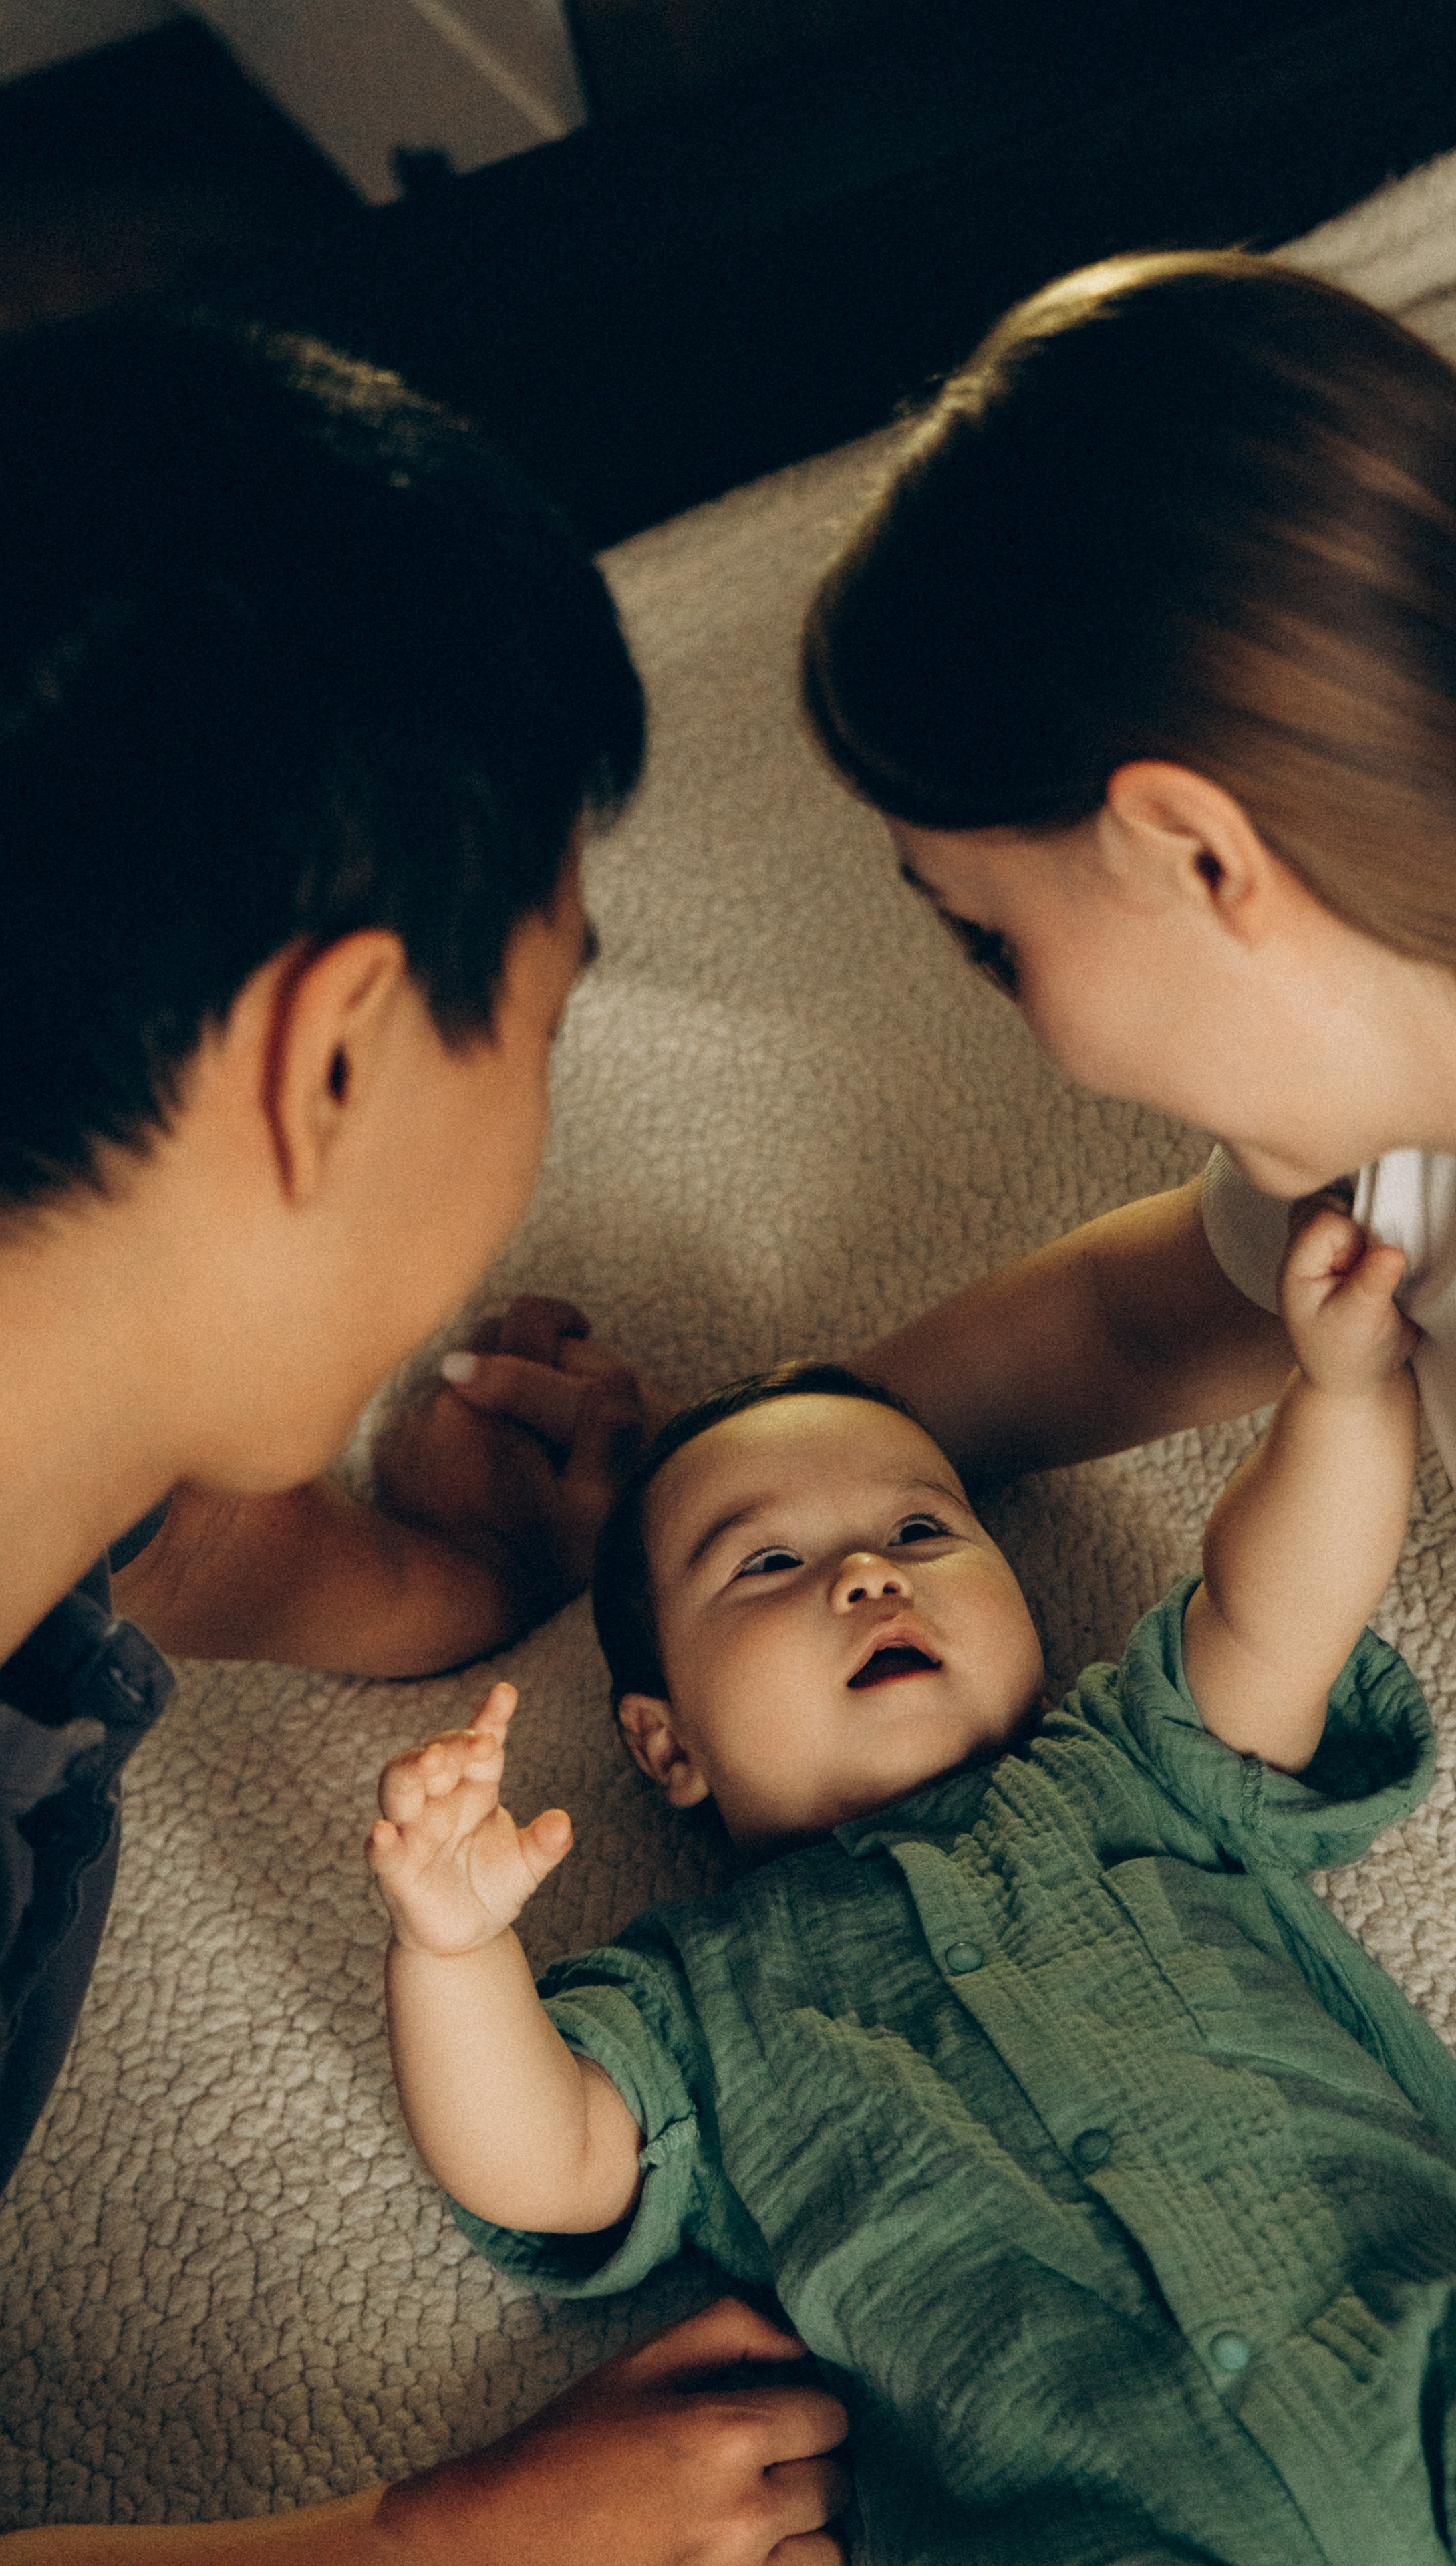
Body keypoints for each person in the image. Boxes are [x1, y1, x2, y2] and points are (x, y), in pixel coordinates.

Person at [0, 309, 847, 2562]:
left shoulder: (75, 1457)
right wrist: (433, 2543)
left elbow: (197, 1553)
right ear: (337, 1062)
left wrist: (487, 1579)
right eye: (549, 1018)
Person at [791, 243, 1456, 2315]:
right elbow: (1128, 1321)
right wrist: (754, 1466)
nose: (1036, 1034)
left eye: (991, 939)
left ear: (1200, 852)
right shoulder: (1420, 1147)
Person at [366, 1213, 1456, 2565]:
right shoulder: (695, 1996)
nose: (866, 1572)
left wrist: (1344, 1394)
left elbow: (1270, 1610)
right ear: (665, 1746)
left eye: (918, 1525)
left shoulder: (1126, 1766)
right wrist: (455, 1951)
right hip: (1110, 2505)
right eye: (765, 1562)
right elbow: (550, 2164)